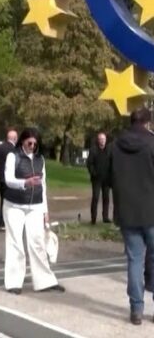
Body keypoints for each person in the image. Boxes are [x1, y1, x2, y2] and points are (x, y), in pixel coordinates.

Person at [3, 128, 64, 294]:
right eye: (29, 143)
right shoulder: (13, 156)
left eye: (35, 144)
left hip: (35, 205)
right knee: (15, 243)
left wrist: (45, 210)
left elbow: (43, 185)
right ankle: (14, 282)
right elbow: (8, 179)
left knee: (37, 242)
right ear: (22, 141)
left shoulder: (40, 159)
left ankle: (45, 281)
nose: (32, 146)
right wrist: (25, 183)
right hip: (14, 205)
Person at [111, 108, 154, 326]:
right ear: (148, 122)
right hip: (151, 209)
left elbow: (108, 176)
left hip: (127, 210)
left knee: (134, 260)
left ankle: (136, 309)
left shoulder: (116, 145)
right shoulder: (152, 143)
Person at [0, 129, 18, 231]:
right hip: (8, 178)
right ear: (15, 138)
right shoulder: (13, 149)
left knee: (3, 199)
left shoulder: (1, 147)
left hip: (0, 176)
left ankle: (2, 222)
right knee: (8, 200)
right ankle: (4, 222)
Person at [87, 131, 112, 225]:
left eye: (103, 139)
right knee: (95, 197)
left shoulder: (109, 150)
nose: (102, 141)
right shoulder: (93, 150)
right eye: (100, 139)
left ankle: (105, 217)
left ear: (106, 140)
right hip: (96, 179)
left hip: (106, 179)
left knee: (106, 198)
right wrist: (94, 173)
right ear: (98, 140)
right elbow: (89, 163)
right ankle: (93, 218)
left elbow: (112, 163)